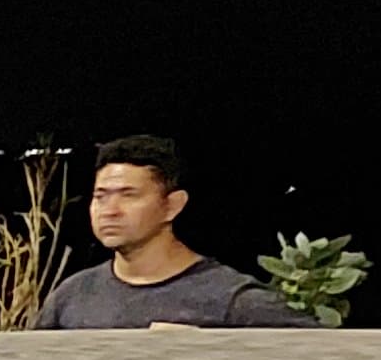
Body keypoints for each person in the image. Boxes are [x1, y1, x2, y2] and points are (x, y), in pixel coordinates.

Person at [34, 137, 322, 329]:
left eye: (128, 195)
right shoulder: (72, 297)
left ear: (172, 206)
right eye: (100, 196)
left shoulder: (232, 300)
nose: (110, 210)